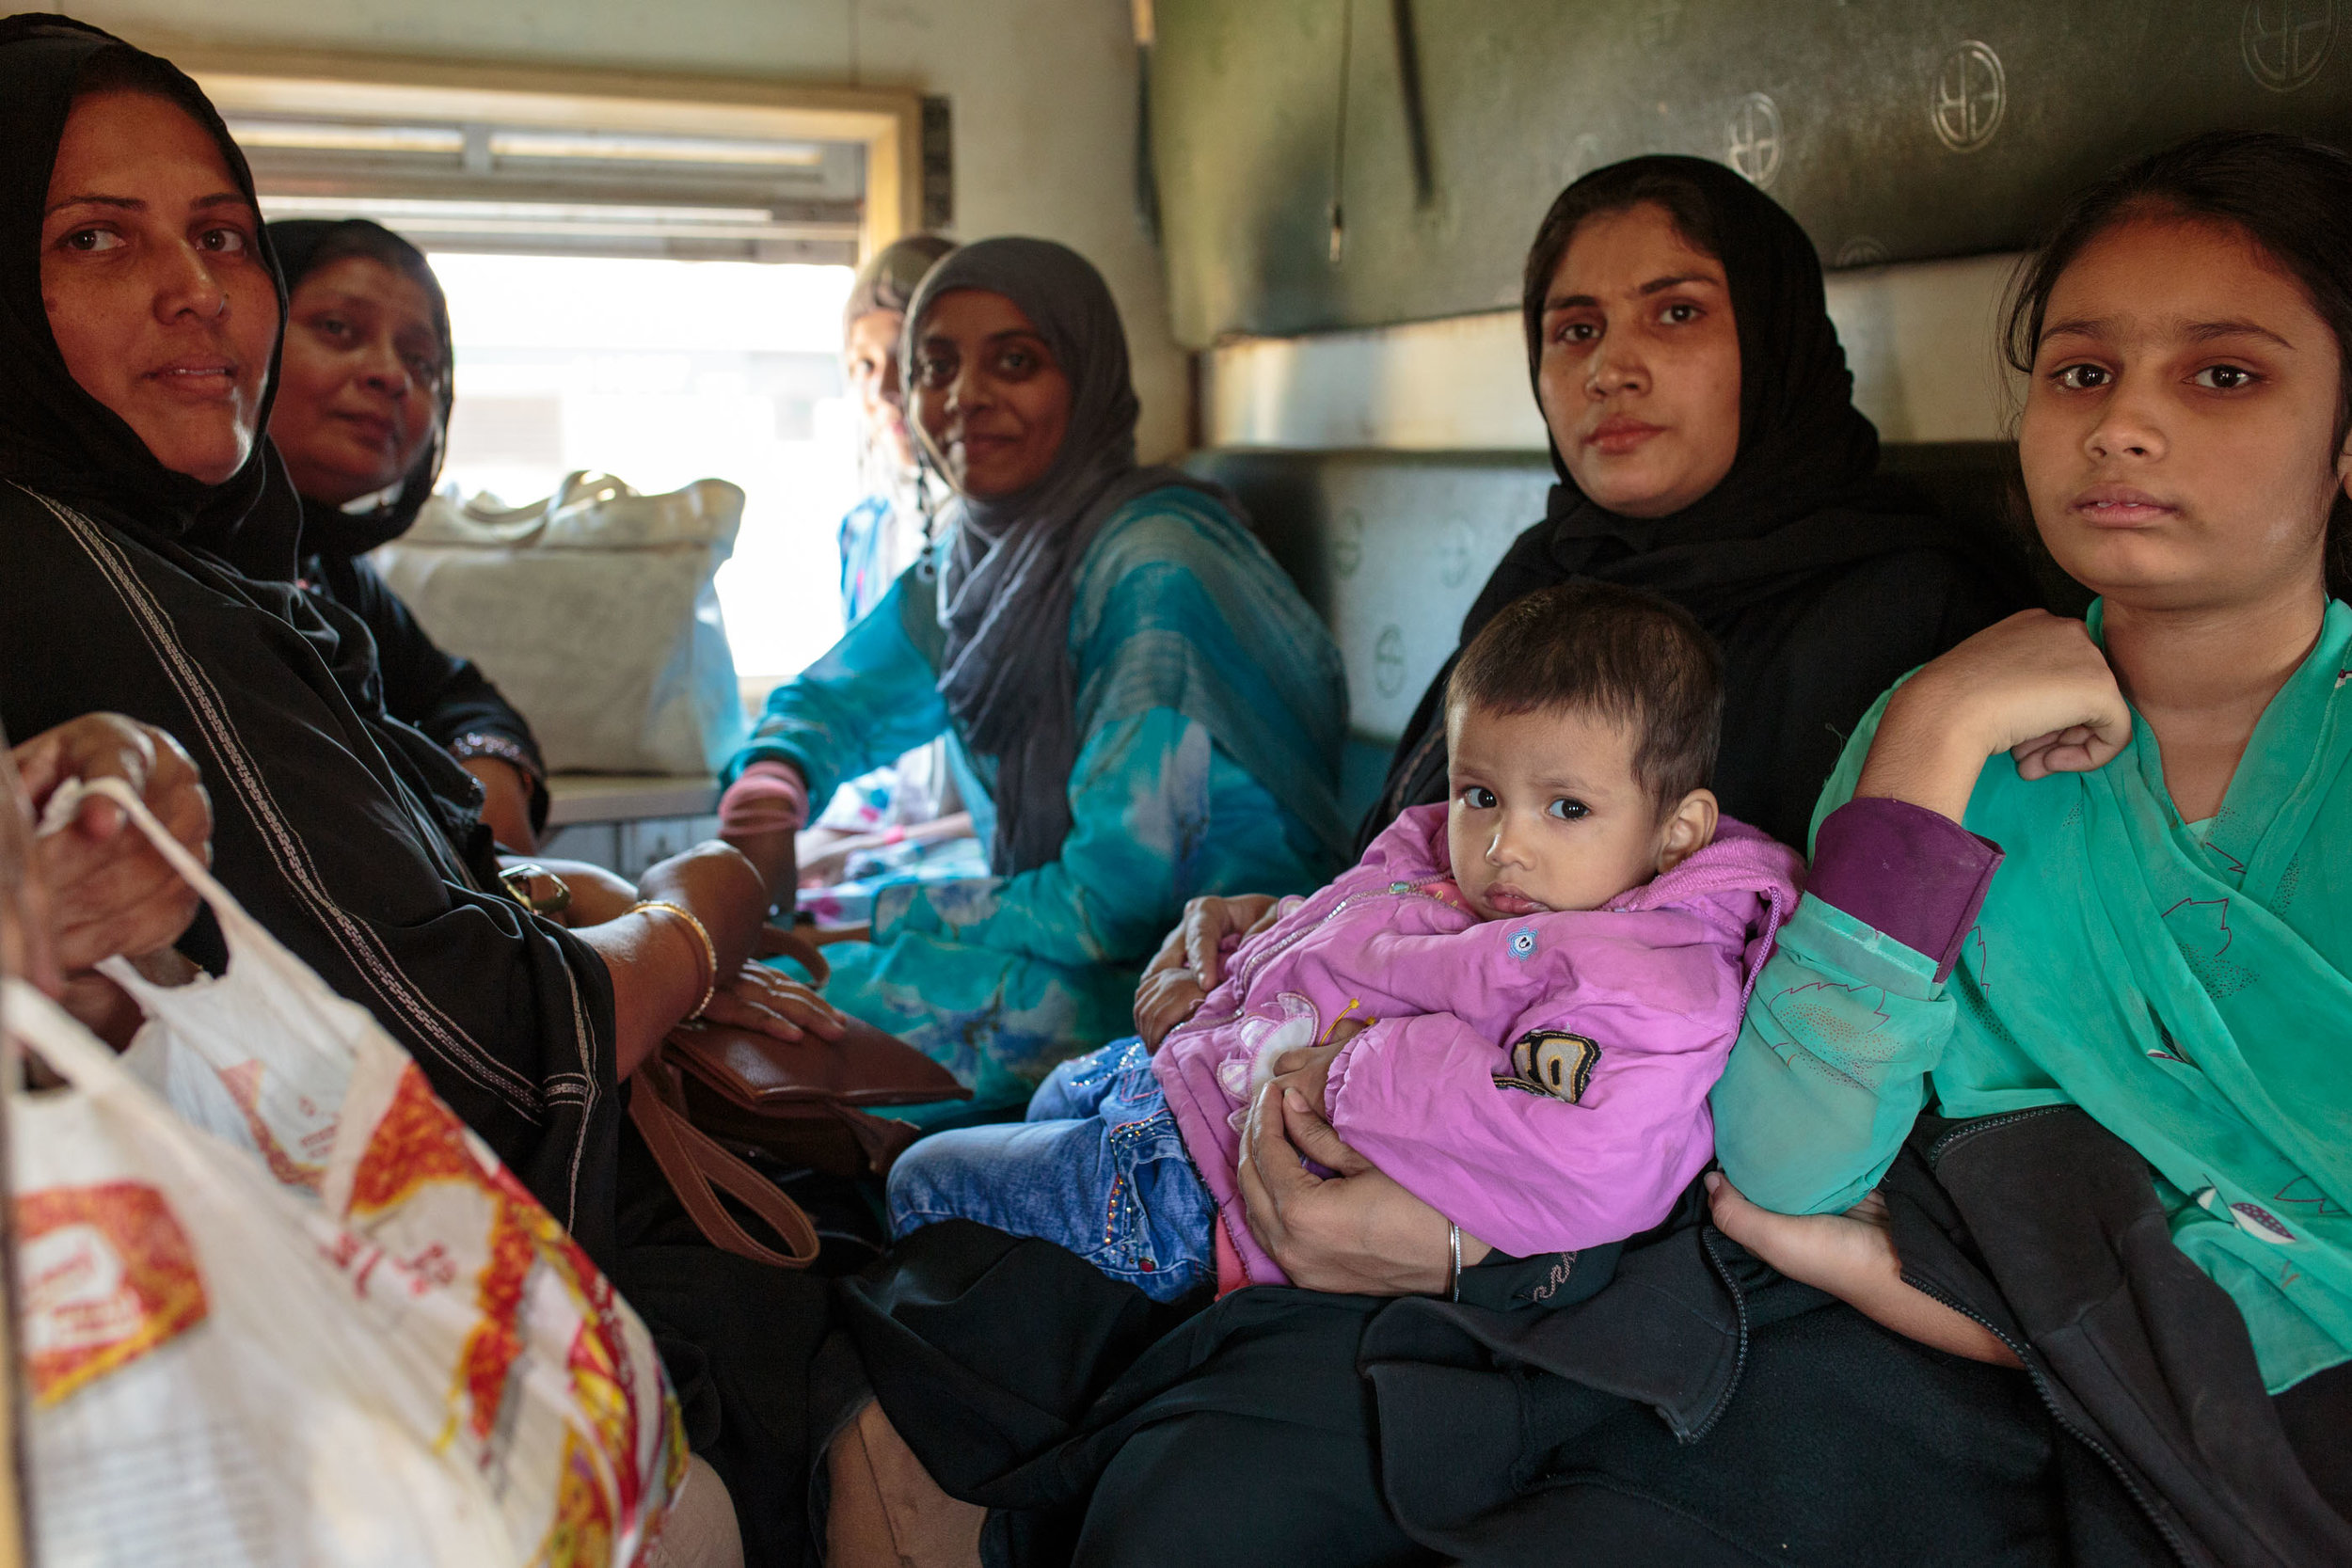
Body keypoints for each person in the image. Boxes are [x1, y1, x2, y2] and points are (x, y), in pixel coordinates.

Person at [0, 22, 834, 1560]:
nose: (193, 288)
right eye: (96, 236)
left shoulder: (234, 551)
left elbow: (452, 715)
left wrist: (498, 825)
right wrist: (707, 906)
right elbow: (474, 1041)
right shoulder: (81, 572)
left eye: (220, 234)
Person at [1695, 128, 2352, 1548]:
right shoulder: (1937, 749)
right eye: (2081, 370)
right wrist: (1935, 725)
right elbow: (1788, 1163)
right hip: (2076, 1417)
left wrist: (1936, 1301)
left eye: (2224, 373)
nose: (2121, 424)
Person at [1134, 153, 2021, 1053]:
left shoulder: (1913, 605)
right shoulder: (1545, 577)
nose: (1610, 369)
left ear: (1772, 337)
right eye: (1576, 329)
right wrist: (1288, 930)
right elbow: (1449, 869)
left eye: (1677, 313)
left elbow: (1858, 1011)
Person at [886, 582, 1801, 1304]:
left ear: (1677, 831)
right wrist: (1248, 952)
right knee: (1048, 1093)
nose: (1501, 843)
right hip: (1187, 1080)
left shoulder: (1647, 980)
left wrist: (1347, 1071)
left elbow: (1602, 1153)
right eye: (1481, 792)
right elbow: (1364, 937)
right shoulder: (1448, 857)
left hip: (1202, 1185)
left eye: (1566, 808)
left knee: (921, 1181)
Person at [719, 237, 1350, 1117]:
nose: (963, 399)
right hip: (1091, 955)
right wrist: (774, 778)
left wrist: (873, 914)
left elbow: (1111, 906)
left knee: (766, 1012)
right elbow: (845, 693)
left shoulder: (1157, 575)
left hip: (1202, 994)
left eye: (1015, 362)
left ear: (1085, 377)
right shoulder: (984, 557)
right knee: (750, 983)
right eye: (934, 366)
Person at [266, 215, 548, 852]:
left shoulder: (324, 565)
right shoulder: (159, 560)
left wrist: (491, 769)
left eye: (421, 361)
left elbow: (457, 693)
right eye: (338, 329)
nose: (390, 375)